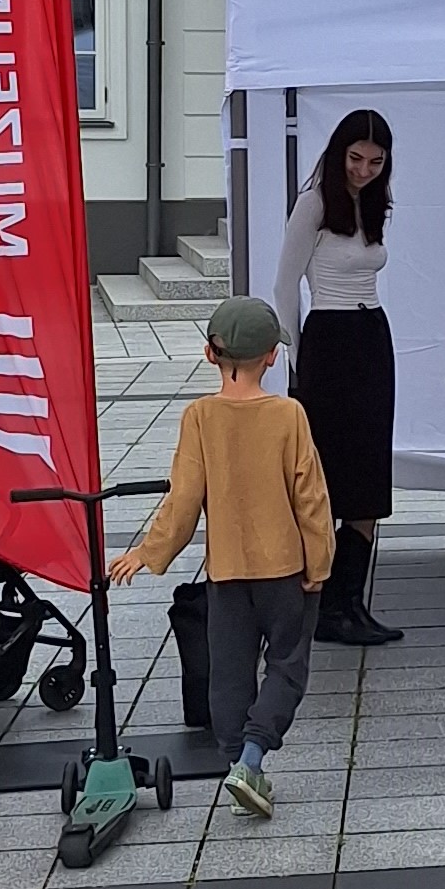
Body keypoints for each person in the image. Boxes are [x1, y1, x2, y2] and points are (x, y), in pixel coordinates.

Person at [110, 296, 333, 819]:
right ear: (272, 358)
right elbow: (311, 497)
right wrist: (319, 564)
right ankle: (251, 758)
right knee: (287, 666)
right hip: (286, 571)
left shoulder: (200, 417)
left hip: (226, 574)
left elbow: (183, 498)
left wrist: (148, 550)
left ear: (209, 354)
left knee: (228, 675)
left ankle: (237, 765)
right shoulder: (288, 415)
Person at [274, 109, 400, 646]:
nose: (364, 170)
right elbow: (284, 288)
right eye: (355, 158)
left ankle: (351, 601)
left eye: (376, 162)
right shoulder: (315, 203)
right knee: (330, 478)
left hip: (372, 337)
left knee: (371, 477)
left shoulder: (371, 203)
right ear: (338, 153)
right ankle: (325, 606)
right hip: (330, 339)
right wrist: (300, 364)